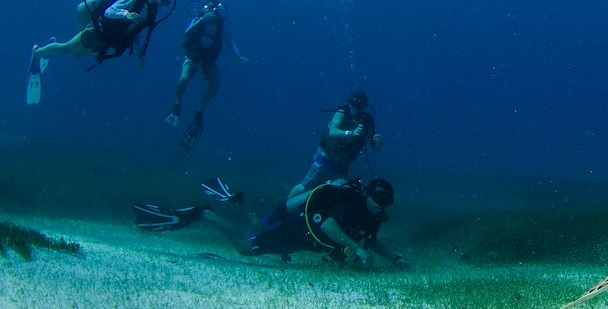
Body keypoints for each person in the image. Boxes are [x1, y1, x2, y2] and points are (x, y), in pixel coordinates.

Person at [133, 177, 408, 269]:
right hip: (300, 231)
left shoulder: (372, 217)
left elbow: (371, 239)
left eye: (388, 201)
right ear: (368, 194)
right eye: (379, 198)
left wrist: (396, 259)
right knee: (245, 247)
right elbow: (328, 227)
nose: (382, 204)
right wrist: (356, 249)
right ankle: (205, 213)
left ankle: (238, 205)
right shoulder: (351, 206)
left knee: (261, 232)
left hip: (305, 238)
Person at [27, 0, 174, 104]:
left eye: (165, 1)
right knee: (67, 49)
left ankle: (51, 47)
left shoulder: (150, 13)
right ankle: (38, 52)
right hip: (97, 31)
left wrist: (138, 53)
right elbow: (109, 11)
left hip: (107, 40)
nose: (160, 2)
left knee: (76, 54)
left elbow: (134, 32)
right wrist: (126, 14)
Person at [165, 0, 248, 149]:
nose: (211, 12)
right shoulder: (198, 19)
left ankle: (199, 111)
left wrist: (239, 55)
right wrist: (201, 20)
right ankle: (177, 104)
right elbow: (187, 33)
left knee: (215, 83)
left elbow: (229, 40)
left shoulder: (221, 25)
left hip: (208, 61)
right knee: (184, 78)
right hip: (192, 58)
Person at [288, 90, 384, 198]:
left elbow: (374, 145)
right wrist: (351, 133)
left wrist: (377, 143)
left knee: (336, 189)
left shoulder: (366, 120)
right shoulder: (342, 112)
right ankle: (285, 205)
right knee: (306, 185)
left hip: (344, 161)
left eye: (360, 106)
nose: (356, 109)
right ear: (349, 103)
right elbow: (333, 131)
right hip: (326, 156)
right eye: (354, 104)